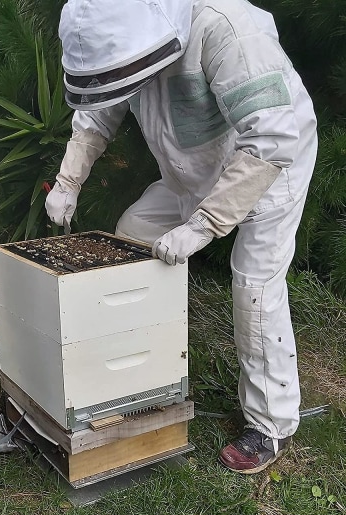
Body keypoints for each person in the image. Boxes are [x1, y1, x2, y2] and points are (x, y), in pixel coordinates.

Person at [46, 0, 317, 474]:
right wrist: (68, 181)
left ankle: (270, 422)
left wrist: (202, 226)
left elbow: (273, 139)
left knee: (254, 288)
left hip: (269, 169)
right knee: (133, 234)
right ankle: (144, 370)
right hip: (191, 172)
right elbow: (98, 113)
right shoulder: (126, 36)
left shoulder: (227, 28)